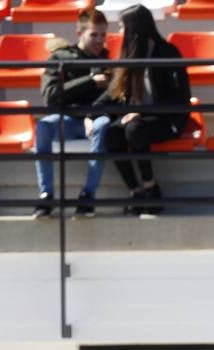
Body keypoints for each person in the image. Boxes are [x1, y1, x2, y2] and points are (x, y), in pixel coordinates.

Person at [96, 4, 189, 216]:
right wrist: (92, 113)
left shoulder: (167, 53)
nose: (119, 32)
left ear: (133, 28)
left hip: (168, 118)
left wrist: (143, 112)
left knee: (134, 130)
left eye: (121, 27)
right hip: (137, 118)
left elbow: (180, 99)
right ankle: (136, 191)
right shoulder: (129, 56)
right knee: (111, 134)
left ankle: (150, 187)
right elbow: (111, 94)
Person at [32, 8, 112, 219]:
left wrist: (90, 116)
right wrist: (89, 81)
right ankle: (46, 195)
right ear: (80, 34)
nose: (99, 40)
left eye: (103, 35)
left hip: (93, 122)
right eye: (94, 34)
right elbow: (50, 95)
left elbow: (113, 100)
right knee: (43, 126)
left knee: (103, 124)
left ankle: (88, 196)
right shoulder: (61, 58)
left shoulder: (108, 61)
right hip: (67, 120)